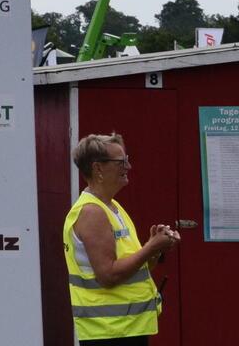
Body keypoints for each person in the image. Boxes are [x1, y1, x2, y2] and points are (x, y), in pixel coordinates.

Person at [64, 133, 175, 344]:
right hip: (110, 331)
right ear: (98, 169)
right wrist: (150, 247)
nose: (129, 166)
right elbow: (108, 276)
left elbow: (133, 269)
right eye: (121, 162)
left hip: (125, 328)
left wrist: (155, 248)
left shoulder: (113, 207)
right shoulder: (91, 212)